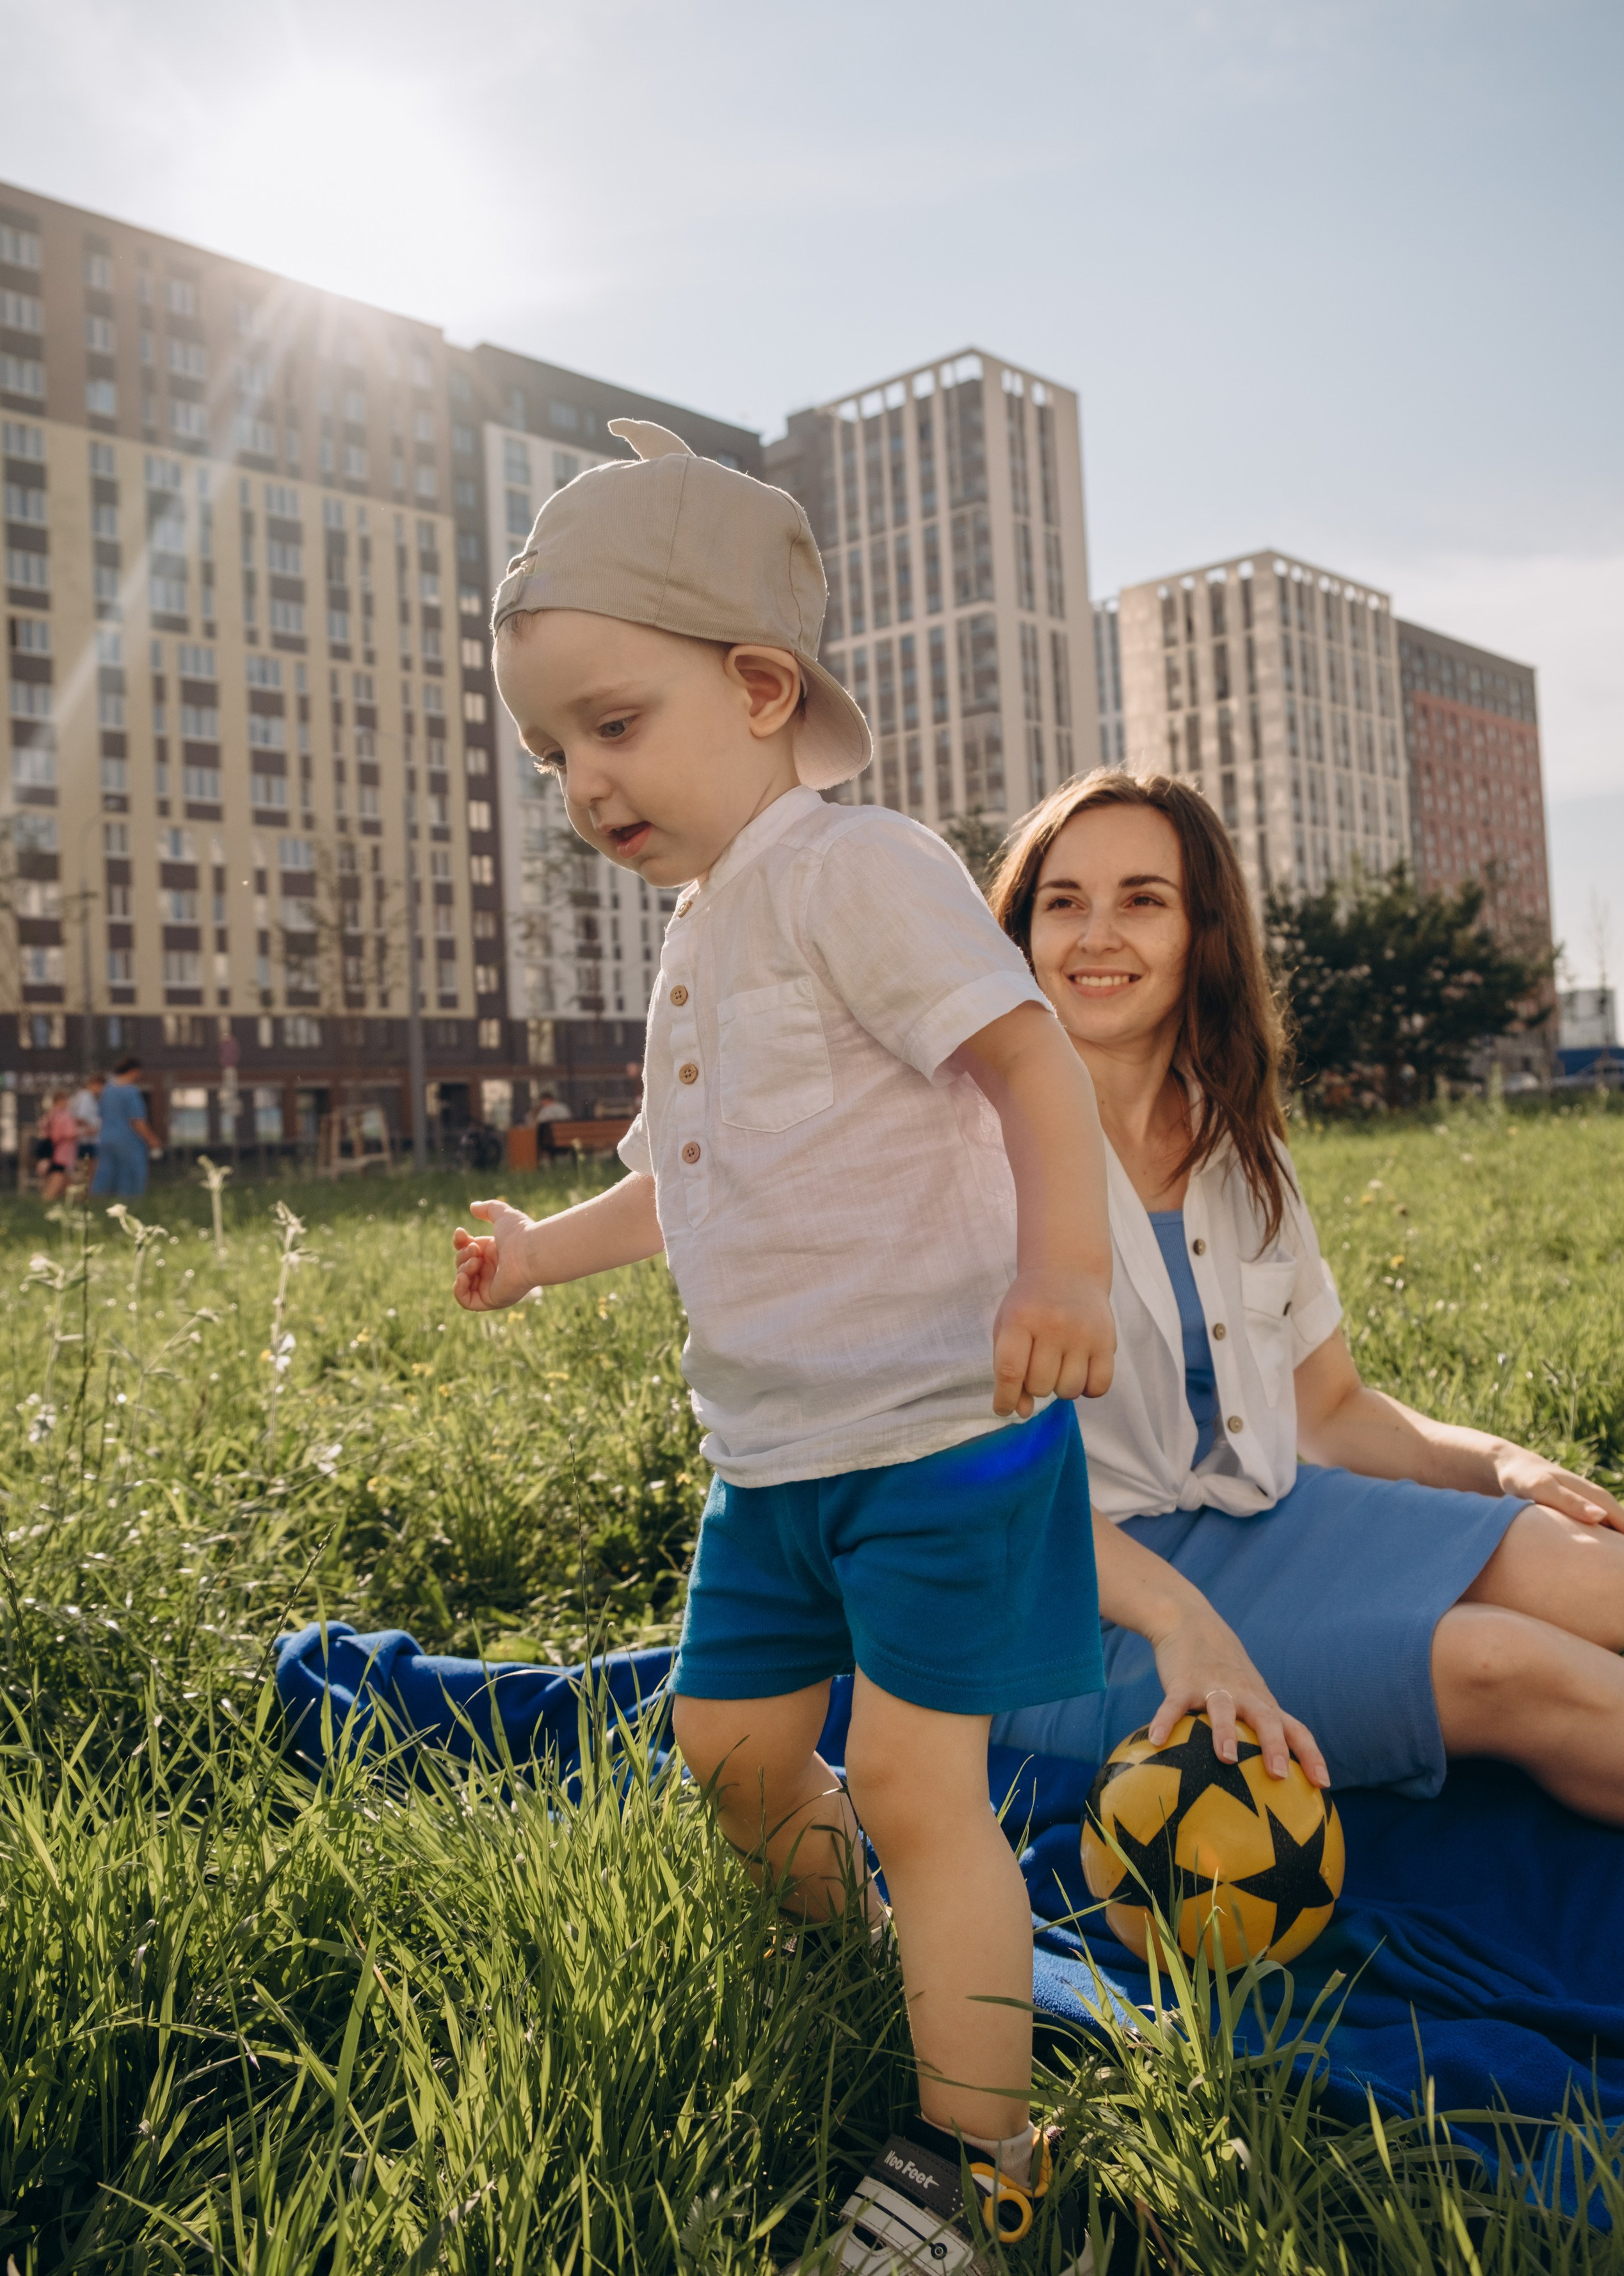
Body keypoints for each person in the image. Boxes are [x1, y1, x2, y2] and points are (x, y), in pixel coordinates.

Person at [453, 422, 1115, 2252]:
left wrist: (1064, 1266)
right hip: (774, 1459)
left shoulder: (854, 869)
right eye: (554, 752)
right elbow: (690, 1175)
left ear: (757, 687)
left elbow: (1025, 1058)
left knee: (917, 1779)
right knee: (731, 1751)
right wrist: (543, 1251)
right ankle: (902, 1962)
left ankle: (981, 2152)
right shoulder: (699, 926)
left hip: (940, 1434)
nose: (585, 781)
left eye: (613, 723)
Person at [986, 768, 1624, 1826]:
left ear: (1203, 934)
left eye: (1143, 899)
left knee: (1599, 1574)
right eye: (1064, 902)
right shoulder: (964, 1154)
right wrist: (1178, 1616)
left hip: (1270, 1519)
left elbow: (1330, 1410)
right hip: (1071, 1610)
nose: (1098, 935)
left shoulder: (1243, 1144)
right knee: (1508, 1664)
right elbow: (962, 1486)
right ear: (1021, 930)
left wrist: (1499, 1465)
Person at [92, 1055, 159, 1201]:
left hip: (106, 1137)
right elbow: (137, 1121)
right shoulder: (130, 1092)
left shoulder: (107, 1090)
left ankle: (100, 1202)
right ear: (134, 1071)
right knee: (132, 1173)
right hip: (127, 1139)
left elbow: (101, 1116)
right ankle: (129, 1204)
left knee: (106, 1171)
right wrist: (152, 1139)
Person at [41, 1089, 80, 1200]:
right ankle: (46, 1202)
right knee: (57, 1178)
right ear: (62, 1101)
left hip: (51, 1151)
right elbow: (71, 1134)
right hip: (63, 1153)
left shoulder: (48, 1115)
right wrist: (86, 1132)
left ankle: (79, 1203)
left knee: (67, 1181)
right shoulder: (65, 1117)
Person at [70, 1072, 103, 1172]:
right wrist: (91, 1128)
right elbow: (79, 1118)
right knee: (89, 1170)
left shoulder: (89, 1097)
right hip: (85, 1139)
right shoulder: (85, 1097)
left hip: (88, 1139)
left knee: (91, 1170)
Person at [533, 1086, 574, 1160]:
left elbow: (538, 1124)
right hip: (568, 1141)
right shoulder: (564, 1108)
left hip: (551, 1143)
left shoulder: (545, 1110)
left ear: (546, 1100)